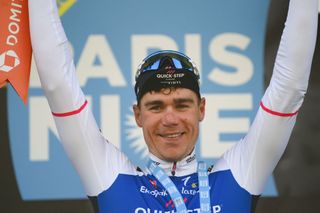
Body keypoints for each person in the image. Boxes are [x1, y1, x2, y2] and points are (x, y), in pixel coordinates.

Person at [28, 0, 318, 212]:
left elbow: (288, 91)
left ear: (201, 109)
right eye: (156, 106)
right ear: (137, 115)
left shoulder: (239, 174)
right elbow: (57, 87)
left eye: (182, 104)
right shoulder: (110, 177)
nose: (170, 118)